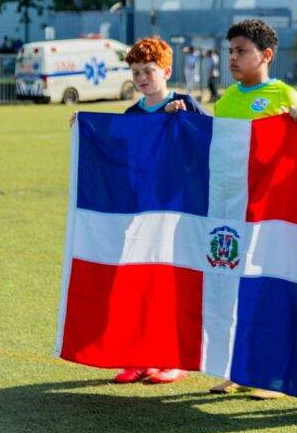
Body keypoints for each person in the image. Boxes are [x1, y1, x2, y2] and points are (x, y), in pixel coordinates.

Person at [69, 36, 205, 384]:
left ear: (166, 71)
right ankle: (138, 357)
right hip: (138, 212)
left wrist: (186, 118)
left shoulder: (185, 103)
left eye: (149, 71)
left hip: (177, 212)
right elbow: (115, 153)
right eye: (136, 72)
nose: (142, 78)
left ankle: (172, 359)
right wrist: (86, 128)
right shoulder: (131, 115)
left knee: (170, 285)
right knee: (137, 282)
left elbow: (210, 142)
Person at [208, 18, 297, 399]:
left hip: (274, 216)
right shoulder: (226, 101)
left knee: (269, 292)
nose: (233, 57)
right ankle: (237, 370)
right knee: (232, 290)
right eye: (230, 51)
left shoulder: (285, 96)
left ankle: (272, 376)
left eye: (241, 51)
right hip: (234, 213)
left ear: (266, 55)